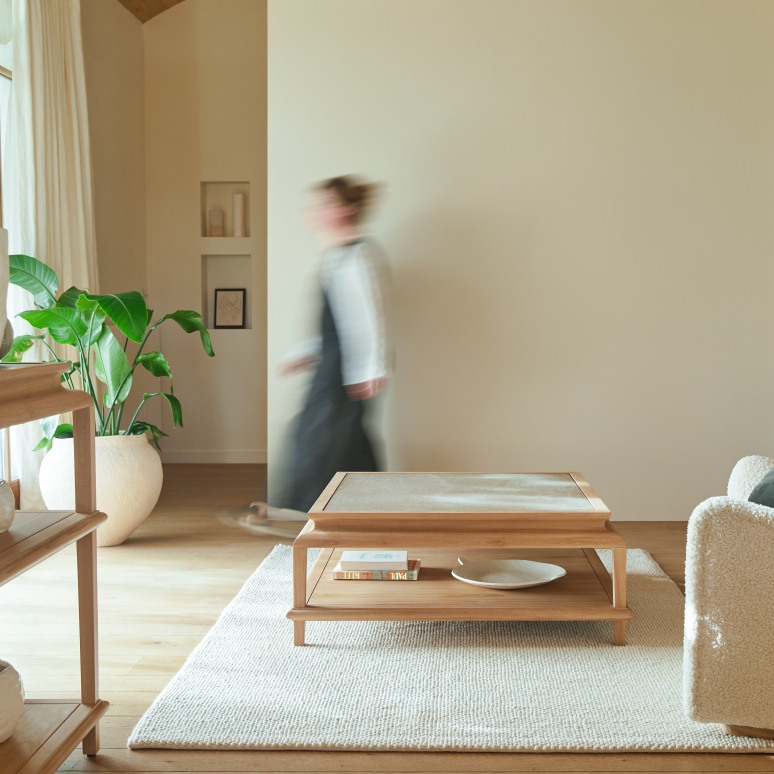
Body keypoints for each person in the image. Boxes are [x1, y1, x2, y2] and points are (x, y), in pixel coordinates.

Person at [219, 175, 391, 538]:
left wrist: (372, 368)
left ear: (348, 209)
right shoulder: (335, 258)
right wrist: (304, 353)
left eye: (327, 204)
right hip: (333, 361)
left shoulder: (358, 256)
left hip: (346, 369)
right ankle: (376, 512)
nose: (317, 211)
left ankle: (293, 513)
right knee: (349, 444)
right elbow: (333, 324)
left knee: (315, 437)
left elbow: (369, 317)